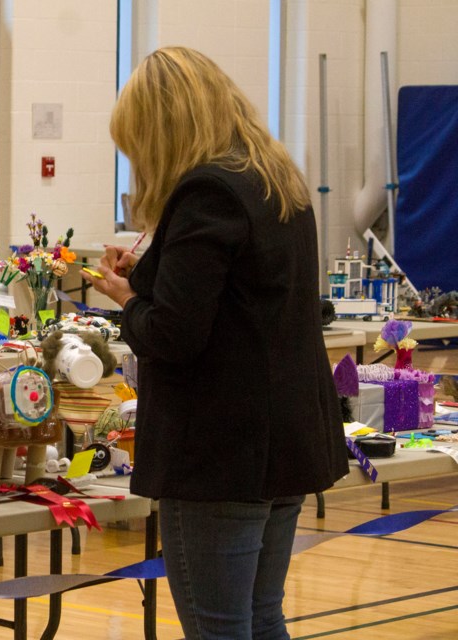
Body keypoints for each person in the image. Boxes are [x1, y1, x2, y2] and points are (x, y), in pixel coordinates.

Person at [83, 47, 348, 639]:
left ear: (164, 129)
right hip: (285, 446)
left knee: (219, 628)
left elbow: (174, 335)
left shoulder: (206, 191)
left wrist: (126, 301)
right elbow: (240, 302)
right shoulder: (275, 179)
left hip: (221, 453)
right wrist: (148, 275)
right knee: (260, 618)